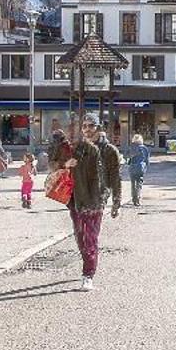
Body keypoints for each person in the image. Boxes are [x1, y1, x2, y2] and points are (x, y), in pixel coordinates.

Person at [63, 125, 121, 291]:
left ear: (99, 128)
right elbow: (56, 167)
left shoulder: (109, 150)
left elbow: (115, 177)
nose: (87, 129)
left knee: (90, 238)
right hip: (76, 199)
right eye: (84, 126)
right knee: (80, 236)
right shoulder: (75, 148)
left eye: (91, 126)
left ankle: (88, 274)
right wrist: (66, 164)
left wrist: (116, 202)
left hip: (96, 200)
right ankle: (87, 263)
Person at [125, 133, 149, 206]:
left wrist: (128, 162)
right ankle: (137, 199)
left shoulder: (130, 147)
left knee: (133, 183)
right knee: (139, 183)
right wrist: (145, 167)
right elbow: (147, 159)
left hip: (132, 167)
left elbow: (126, 156)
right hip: (140, 167)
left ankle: (133, 198)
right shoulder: (144, 148)